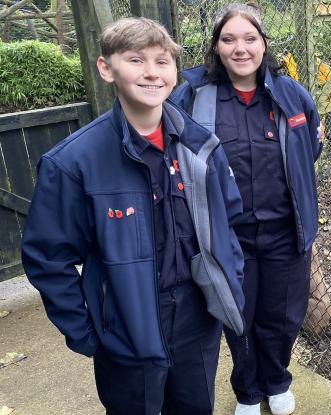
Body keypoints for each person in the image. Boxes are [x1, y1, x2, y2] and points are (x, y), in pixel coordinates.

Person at [21, 17, 245, 414]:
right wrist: (88, 333)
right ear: (107, 68)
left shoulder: (200, 146)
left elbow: (228, 222)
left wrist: (229, 288)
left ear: (175, 71)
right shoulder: (73, 162)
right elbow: (46, 258)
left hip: (196, 320)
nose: (151, 73)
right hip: (126, 325)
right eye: (136, 60)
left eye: (162, 61)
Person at [171, 3, 322, 415]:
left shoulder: (291, 94)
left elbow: (312, 147)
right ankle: (247, 391)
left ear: (264, 44)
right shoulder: (192, 97)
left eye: (250, 38)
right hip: (227, 237)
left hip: (285, 234)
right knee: (238, 317)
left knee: (283, 317)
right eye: (229, 39)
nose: (241, 48)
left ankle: (277, 381)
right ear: (216, 48)